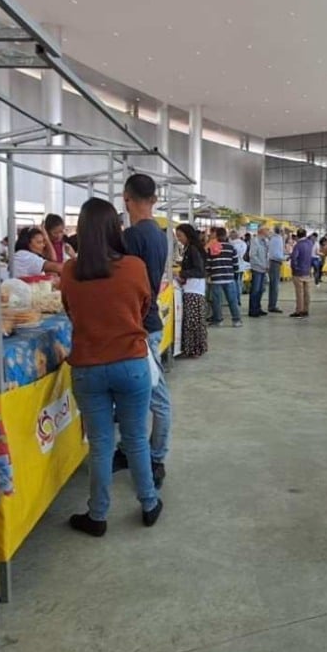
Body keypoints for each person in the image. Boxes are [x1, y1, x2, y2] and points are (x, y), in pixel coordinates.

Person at [60, 198, 161, 536]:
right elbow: (143, 306)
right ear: (115, 229)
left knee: (101, 444)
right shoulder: (134, 266)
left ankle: (98, 515)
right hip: (131, 362)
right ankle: (149, 503)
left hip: (87, 366)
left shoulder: (70, 271)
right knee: (136, 438)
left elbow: (69, 310)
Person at [119, 173, 172, 488]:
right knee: (137, 395)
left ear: (127, 199)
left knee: (156, 397)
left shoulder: (132, 236)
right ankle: (130, 450)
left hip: (139, 325)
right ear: (153, 199)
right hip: (147, 321)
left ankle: (156, 457)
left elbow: (124, 286)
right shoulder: (159, 234)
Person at [176, 224, 208, 357]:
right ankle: (194, 348)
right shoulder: (190, 248)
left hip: (194, 289)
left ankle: (194, 349)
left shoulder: (193, 249)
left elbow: (199, 270)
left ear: (187, 235)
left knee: (192, 320)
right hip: (193, 287)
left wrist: (182, 273)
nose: (179, 239)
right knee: (193, 319)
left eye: (180, 236)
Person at [206, 227, 242, 328]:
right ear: (226, 235)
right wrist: (234, 274)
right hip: (229, 278)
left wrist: (209, 273)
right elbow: (235, 264)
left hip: (216, 278)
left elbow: (208, 264)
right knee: (232, 300)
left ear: (216, 236)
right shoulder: (231, 247)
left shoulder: (211, 247)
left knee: (217, 301)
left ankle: (218, 321)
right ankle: (236, 320)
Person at [289, 229, 315, 319]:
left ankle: (299, 310)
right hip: (307, 271)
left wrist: (294, 268)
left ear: (297, 235)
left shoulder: (298, 245)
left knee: (299, 292)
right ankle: (306, 310)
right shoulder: (310, 244)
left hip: (298, 272)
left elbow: (294, 258)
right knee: (307, 292)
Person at [248, 227, 271, 317]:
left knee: (261, 290)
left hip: (263, 269)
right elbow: (252, 255)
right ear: (262, 232)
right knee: (255, 289)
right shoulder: (255, 241)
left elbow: (267, 255)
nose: (269, 233)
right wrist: (262, 265)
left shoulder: (265, 241)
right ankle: (253, 310)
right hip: (257, 268)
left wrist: (267, 265)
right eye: (267, 231)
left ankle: (258, 308)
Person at [267, 225, 286, 313]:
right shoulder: (277, 239)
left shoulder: (276, 238)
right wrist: (283, 258)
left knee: (273, 285)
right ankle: (272, 306)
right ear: (280, 231)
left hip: (275, 262)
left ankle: (272, 304)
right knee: (274, 285)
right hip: (275, 262)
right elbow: (275, 254)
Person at [229, 230, 249, 297]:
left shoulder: (231, 244)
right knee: (239, 281)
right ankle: (239, 296)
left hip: (233, 265)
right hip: (241, 265)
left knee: (234, 282)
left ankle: (235, 296)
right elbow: (243, 254)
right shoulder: (243, 244)